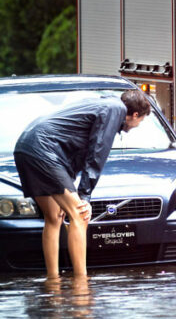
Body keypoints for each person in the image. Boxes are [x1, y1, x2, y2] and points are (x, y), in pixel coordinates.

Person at [13, 89, 151, 278]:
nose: (136, 126)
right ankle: (81, 282)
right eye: (140, 121)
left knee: (54, 216)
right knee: (80, 214)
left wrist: (70, 185)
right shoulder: (115, 109)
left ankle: (53, 280)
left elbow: (73, 150)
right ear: (135, 114)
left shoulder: (103, 104)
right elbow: (98, 151)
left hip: (25, 146)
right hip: (43, 149)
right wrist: (84, 195)